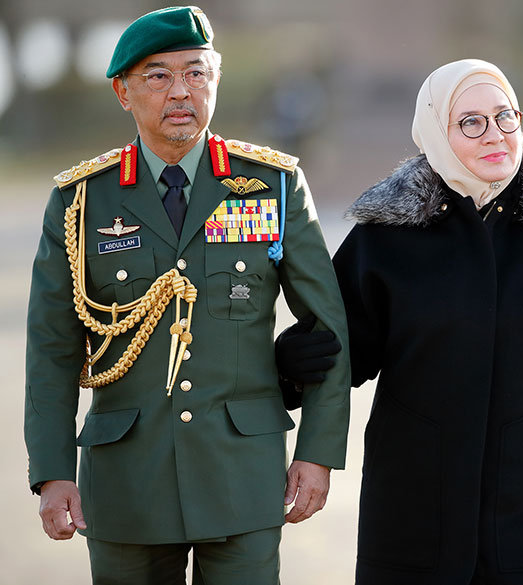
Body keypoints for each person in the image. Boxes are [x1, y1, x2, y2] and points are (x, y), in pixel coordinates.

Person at [276, 59, 523, 584]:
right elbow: (343, 345)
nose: (495, 135)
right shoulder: (387, 236)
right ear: (435, 132)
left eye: (505, 116)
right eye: (471, 122)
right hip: (411, 517)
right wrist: (290, 366)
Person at [24, 6, 350, 584]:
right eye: (158, 76)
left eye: (196, 73)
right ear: (123, 92)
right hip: (127, 481)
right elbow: (52, 348)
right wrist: (53, 471)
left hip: (243, 474)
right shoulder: (81, 201)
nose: (180, 91)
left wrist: (317, 452)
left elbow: (327, 326)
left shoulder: (271, 185)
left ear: (215, 81)